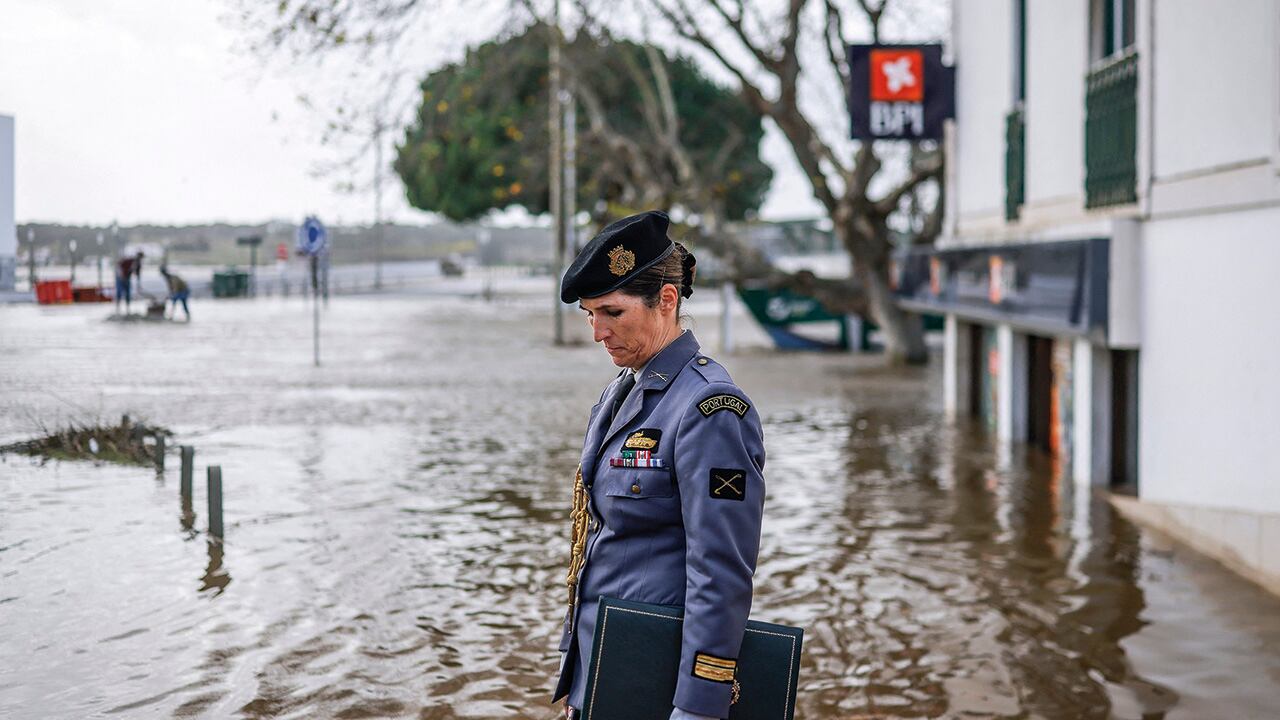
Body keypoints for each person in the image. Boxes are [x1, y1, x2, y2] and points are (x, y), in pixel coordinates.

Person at [553, 210, 766, 720]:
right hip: (605, 666)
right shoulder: (620, 392)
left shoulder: (710, 409)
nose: (597, 332)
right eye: (589, 315)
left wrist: (699, 706)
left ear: (666, 301)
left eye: (612, 313)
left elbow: (720, 573)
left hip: (659, 682)